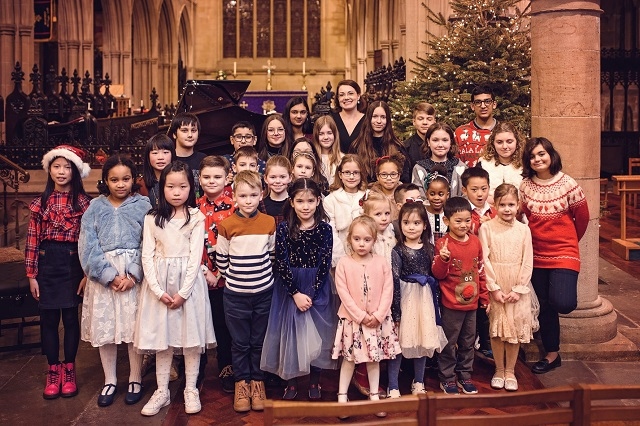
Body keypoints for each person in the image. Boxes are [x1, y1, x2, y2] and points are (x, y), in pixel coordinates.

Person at [135, 161, 216, 416]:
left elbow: (195, 258)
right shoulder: (151, 218)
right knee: (163, 340)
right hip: (159, 286)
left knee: (190, 338)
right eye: (171, 186)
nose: (177, 192)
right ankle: (162, 391)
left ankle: (190, 388)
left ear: (190, 188)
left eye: (182, 186)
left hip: (187, 287)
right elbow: (146, 256)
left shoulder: (196, 217)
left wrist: (183, 292)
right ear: (163, 188)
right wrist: (158, 291)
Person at [79, 155, 151, 407]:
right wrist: (107, 275)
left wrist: (133, 274)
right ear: (105, 181)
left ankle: (135, 377)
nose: (120, 184)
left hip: (133, 276)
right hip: (105, 277)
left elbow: (149, 242)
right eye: (114, 180)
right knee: (106, 331)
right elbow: (88, 244)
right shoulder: (95, 207)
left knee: (133, 329)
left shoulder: (144, 205)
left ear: (133, 180)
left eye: (126, 179)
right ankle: (109, 379)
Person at [261, 178, 337, 400]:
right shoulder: (284, 228)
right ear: (292, 202)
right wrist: (296, 294)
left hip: (316, 288)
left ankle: (315, 381)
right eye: (300, 201)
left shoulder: (325, 229)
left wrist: (311, 294)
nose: (306, 206)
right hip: (290, 290)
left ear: (318, 201)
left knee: (318, 335)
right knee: (291, 334)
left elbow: (325, 261)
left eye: (310, 201)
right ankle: (291, 382)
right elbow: (281, 263)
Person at [26, 145, 91, 400]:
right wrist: (31, 274)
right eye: (56, 166)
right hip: (47, 263)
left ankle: (69, 369)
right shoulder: (40, 203)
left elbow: (88, 241)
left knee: (71, 318)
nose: (61, 172)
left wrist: (87, 273)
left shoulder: (84, 204)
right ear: (49, 170)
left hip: (73, 263)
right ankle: (53, 370)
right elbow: (32, 240)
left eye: (67, 167)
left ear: (75, 172)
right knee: (49, 320)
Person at [519, 137, 589, 374]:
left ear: (551, 155)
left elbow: (583, 218)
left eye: (542, 154)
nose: (537, 159)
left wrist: (569, 243)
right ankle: (552, 354)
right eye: (532, 156)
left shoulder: (568, 183)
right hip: (536, 254)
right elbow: (522, 215)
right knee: (545, 306)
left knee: (563, 302)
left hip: (564, 253)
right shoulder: (526, 186)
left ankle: (550, 346)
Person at [216, 170, 276, 413]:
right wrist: (236, 279)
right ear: (234, 196)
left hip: (264, 293)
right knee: (240, 343)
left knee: (258, 341)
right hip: (236, 296)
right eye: (243, 195)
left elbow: (271, 255)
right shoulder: (227, 225)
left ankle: (257, 382)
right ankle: (242, 383)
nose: (249, 200)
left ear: (261, 194)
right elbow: (222, 260)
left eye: (253, 194)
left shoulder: (268, 222)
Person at [331, 215, 400, 414]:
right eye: (357, 239)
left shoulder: (381, 262)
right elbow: (343, 292)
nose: (361, 244)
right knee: (349, 359)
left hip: (377, 321)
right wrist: (360, 316)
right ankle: (342, 398)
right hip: (353, 322)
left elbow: (389, 289)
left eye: (367, 240)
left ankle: (374, 397)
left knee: (374, 359)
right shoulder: (344, 263)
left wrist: (378, 315)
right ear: (350, 239)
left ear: (374, 240)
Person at [478, 184, 536, 392]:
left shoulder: (524, 230)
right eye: (502, 205)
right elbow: (484, 258)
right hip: (497, 285)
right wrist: (493, 287)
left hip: (516, 286)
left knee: (513, 330)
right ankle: (499, 369)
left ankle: (510, 371)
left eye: (511, 204)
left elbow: (527, 260)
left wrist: (519, 288)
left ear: (518, 205)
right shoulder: (486, 228)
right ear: (495, 205)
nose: (507, 209)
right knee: (497, 330)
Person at [387, 202, 447, 398]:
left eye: (416, 223)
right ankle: (393, 384)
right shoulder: (397, 250)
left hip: (425, 300)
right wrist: (396, 311)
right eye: (406, 222)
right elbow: (395, 281)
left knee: (422, 338)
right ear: (400, 225)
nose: (411, 227)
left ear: (424, 226)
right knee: (400, 341)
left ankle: (419, 381)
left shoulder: (430, 248)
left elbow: (436, 274)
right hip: (406, 298)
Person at [432, 197, 489, 395]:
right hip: (450, 305)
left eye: (467, 220)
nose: (463, 225)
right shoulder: (442, 244)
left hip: (471, 305)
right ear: (447, 221)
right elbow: (438, 274)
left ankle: (465, 375)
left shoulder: (475, 242)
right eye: (458, 221)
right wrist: (443, 259)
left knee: (468, 342)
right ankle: (447, 378)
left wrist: (484, 297)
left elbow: (480, 271)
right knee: (448, 343)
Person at [196, 155, 236, 393]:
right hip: (200, 278)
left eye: (217, 177)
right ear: (199, 179)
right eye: (207, 177)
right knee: (199, 325)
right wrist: (204, 272)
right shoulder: (194, 209)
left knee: (224, 326)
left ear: (226, 177)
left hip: (226, 278)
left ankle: (226, 369)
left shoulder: (235, 207)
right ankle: (196, 371)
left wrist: (220, 274)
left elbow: (236, 245)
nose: (212, 181)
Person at [349, 100, 411, 183]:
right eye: (374, 116)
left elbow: (405, 178)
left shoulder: (397, 146)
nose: (379, 121)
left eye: (383, 117)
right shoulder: (357, 146)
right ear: (369, 118)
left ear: (388, 120)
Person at [324, 154, 367, 267]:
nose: (351, 177)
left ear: (361, 174)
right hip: (341, 251)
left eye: (356, 173)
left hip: (365, 251)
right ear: (340, 174)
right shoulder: (331, 200)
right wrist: (341, 258)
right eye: (347, 172)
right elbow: (331, 231)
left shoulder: (368, 196)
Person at [412, 123, 467, 198]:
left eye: (445, 140)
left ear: (450, 142)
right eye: (435, 140)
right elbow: (418, 197)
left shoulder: (461, 167)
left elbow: (466, 195)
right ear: (428, 142)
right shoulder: (419, 168)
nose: (440, 145)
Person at [477, 121, 525, 205]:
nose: (505, 147)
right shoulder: (483, 164)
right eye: (499, 142)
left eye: (509, 142)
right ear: (493, 143)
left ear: (517, 142)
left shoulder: (525, 164)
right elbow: (476, 192)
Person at [454, 84, 498, 167]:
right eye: (478, 102)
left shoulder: (504, 132)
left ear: (494, 104)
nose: (483, 106)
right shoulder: (460, 133)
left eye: (487, 101)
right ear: (472, 106)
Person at [169, 113, 207, 197]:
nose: (190, 135)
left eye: (193, 130)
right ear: (174, 134)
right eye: (184, 130)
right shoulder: (168, 158)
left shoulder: (204, 159)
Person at [137, 133, 176, 207]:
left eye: (165, 152)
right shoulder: (141, 184)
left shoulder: (180, 181)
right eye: (155, 153)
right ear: (148, 157)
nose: (160, 157)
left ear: (172, 155)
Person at [331, 79, 367, 153]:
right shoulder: (331, 119)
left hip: (362, 164)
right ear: (338, 98)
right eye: (342, 95)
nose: (346, 97)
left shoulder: (367, 120)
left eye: (350, 93)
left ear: (358, 96)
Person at [259, 155, 293, 225]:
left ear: (290, 178)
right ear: (265, 179)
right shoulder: (260, 205)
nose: (277, 181)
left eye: (282, 177)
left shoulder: (294, 204)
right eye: (273, 177)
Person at [404, 102, 437, 171]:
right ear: (414, 122)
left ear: (434, 122)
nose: (425, 122)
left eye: (429, 119)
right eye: (420, 118)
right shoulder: (406, 147)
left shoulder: (441, 145)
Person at [370, 155, 404, 220]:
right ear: (377, 176)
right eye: (384, 174)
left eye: (393, 174)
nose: (389, 178)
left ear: (399, 176)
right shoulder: (371, 196)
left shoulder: (404, 195)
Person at [312, 115, 344, 185]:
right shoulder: (312, 158)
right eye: (321, 134)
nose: (326, 137)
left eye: (329, 133)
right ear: (316, 136)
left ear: (335, 134)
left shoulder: (342, 158)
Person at [423, 166, 450, 244]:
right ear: (427, 194)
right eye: (432, 194)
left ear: (447, 195)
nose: (436, 198)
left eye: (441, 194)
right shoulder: (423, 213)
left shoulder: (450, 214)